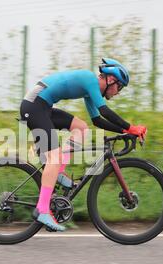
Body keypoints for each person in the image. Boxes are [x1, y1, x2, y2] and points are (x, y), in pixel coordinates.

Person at [19, 58, 147, 231]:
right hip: (34, 106)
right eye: (119, 86)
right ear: (110, 79)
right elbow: (105, 111)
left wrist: (124, 131)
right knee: (54, 157)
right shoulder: (90, 80)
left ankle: (58, 172)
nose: (118, 92)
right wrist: (131, 128)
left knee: (81, 128)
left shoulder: (89, 89)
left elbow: (97, 121)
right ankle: (42, 209)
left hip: (41, 106)